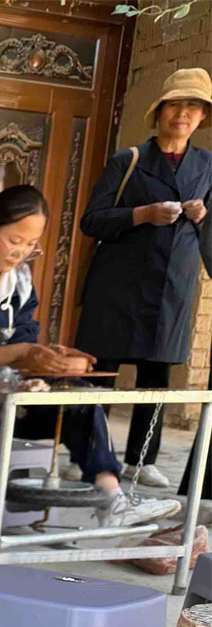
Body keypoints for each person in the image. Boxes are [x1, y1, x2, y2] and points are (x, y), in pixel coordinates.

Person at [0, 184, 179, 529]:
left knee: (78, 401)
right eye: (14, 240)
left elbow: (23, 337)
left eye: (30, 245)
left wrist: (47, 357)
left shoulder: (19, 282)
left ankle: (112, 502)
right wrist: (24, 352)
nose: (21, 252)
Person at [74, 67, 212, 488]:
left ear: (203, 116)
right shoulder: (128, 160)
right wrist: (143, 215)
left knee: (157, 373)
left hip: (173, 283)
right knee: (100, 372)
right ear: (160, 112)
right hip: (117, 284)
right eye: (175, 104)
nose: (183, 114)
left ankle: (141, 458)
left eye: (193, 106)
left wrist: (203, 215)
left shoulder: (208, 166)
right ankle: (89, 455)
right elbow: (92, 221)